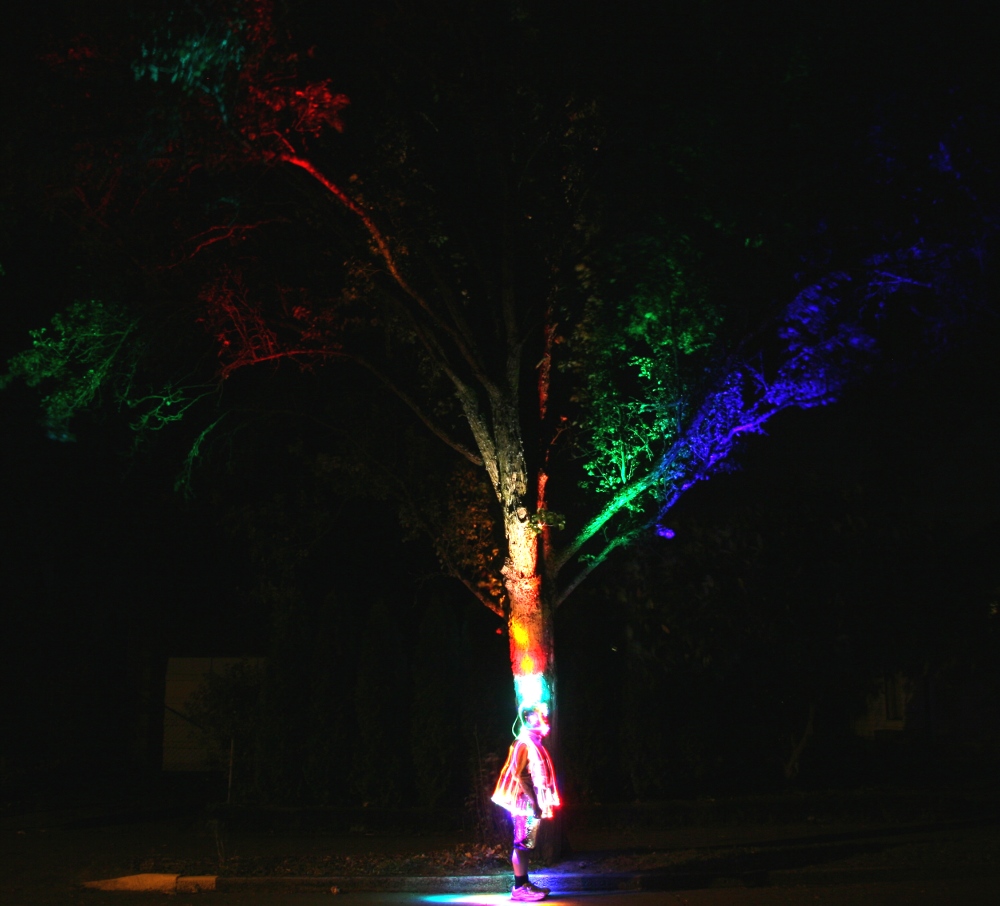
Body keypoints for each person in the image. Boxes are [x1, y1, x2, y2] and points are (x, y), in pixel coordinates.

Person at [491, 703, 561, 901]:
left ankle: (524, 883)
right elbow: (520, 776)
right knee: (522, 843)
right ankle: (520, 887)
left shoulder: (533, 741)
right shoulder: (524, 742)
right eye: (539, 714)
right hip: (524, 804)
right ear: (529, 717)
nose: (544, 718)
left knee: (526, 844)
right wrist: (535, 804)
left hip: (530, 803)